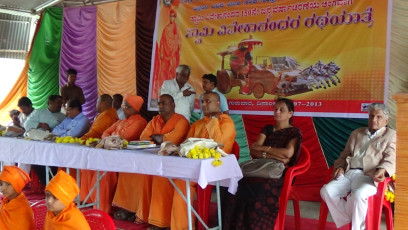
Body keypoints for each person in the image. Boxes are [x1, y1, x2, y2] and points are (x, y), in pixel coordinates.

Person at [222, 98, 302, 229]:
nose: (277, 112)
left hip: (278, 173)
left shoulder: (294, 132)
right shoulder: (268, 129)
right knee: (236, 185)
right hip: (259, 168)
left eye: (282, 110)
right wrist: (269, 152)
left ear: (290, 114)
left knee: (260, 188)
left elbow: (288, 154)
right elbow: (254, 149)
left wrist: (264, 149)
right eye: (275, 109)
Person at [320, 103, 396, 230]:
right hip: (350, 173)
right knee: (326, 191)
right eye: (371, 116)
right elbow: (344, 155)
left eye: (379, 117)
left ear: (386, 120)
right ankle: (347, 217)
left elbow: (391, 157)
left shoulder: (391, 135)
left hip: (370, 176)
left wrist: (382, 169)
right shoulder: (357, 133)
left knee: (358, 196)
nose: (374, 120)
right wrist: (341, 167)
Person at [128, 94, 190, 229]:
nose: (161, 106)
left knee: (159, 179)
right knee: (142, 175)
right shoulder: (155, 119)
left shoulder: (181, 121)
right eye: (159, 103)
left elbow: (173, 139)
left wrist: (160, 138)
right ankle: (142, 214)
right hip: (155, 161)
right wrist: (157, 138)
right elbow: (143, 137)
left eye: (164, 103)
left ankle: (161, 222)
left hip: (175, 164)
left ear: (173, 105)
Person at [108, 95, 148, 219]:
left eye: (127, 107)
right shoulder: (121, 121)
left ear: (136, 108)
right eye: (123, 106)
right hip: (118, 157)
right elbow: (105, 132)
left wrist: (112, 136)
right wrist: (114, 136)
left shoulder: (140, 122)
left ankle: (131, 208)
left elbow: (126, 138)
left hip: (135, 161)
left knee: (129, 176)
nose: (123, 109)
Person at [79, 94, 119, 213]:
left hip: (102, 152)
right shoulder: (107, 114)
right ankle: (90, 198)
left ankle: (95, 201)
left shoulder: (107, 115)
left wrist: (81, 140)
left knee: (97, 172)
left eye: (97, 102)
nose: (96, 105)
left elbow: (95, 132)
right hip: (98, 148)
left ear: (103, 102)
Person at [152, 9, 182, 99]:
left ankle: (172, 91)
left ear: (175, 18)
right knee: (163, 71)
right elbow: (162, 41)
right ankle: (160, 90)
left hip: (173, 54)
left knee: (173, 71)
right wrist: (161, 52)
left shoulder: (176, 29)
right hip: (165, 54)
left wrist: (178, 49)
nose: (172, 18)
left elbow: (179, 41)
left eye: (173, 16)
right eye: (170, 16)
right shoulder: (166, 28)